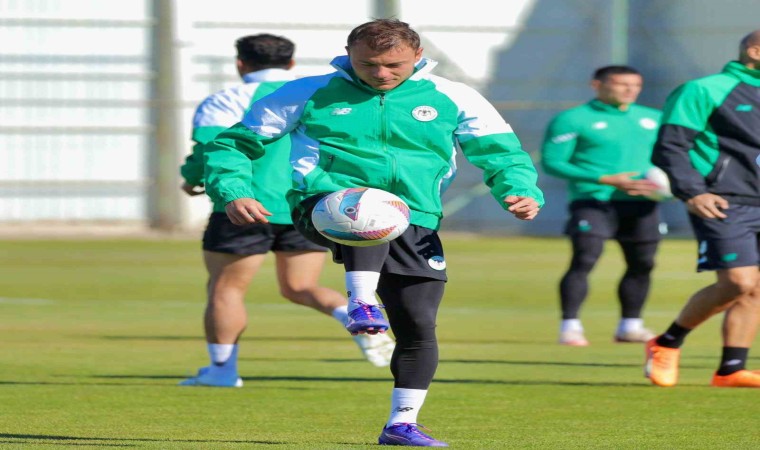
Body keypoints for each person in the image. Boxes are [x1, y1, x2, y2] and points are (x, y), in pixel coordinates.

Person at [203, 19, 543, 447]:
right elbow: (232, 144)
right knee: (367, 208)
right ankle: (361, 302)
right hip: (323, 203)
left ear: (418, 55)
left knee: (418, 323)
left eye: (393, 65)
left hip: (415, 216)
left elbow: (503, 154)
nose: (381, 74)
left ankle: (402, 423)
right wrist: (233, 190)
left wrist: (520, 191)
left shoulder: (454, 96)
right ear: (348, 54)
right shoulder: (306, 92)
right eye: (368, 64)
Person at [178, 33, 395, 388]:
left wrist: (191, 179)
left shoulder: (226, 100)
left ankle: (222, 370)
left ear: (240, 64)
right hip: (307, 206)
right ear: (291, 63)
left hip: (244, 205)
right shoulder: (312, 93)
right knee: (300, 286)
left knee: (226, 289)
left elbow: (209, 149)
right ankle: (357, 317)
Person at [645, 30, 760, 388]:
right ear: (756, 52)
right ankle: (667, 343)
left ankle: (730, 370)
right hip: (724, 200)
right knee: (738, 281)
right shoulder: (704, 89)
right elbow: (670, 147)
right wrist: (693, 192)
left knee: (756, 288)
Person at [541, 66, 663, 346]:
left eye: (636, 85)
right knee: (585, 258)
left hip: (642, 202)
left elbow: (671, 157)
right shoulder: (573, 119)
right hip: (593, 200)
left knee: (643, 263)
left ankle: (630, 326)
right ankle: (570, 326)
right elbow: (552, 162)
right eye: (622, 84)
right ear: (597, 85)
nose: (630, 90)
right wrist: (604, 178)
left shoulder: (653, 118)